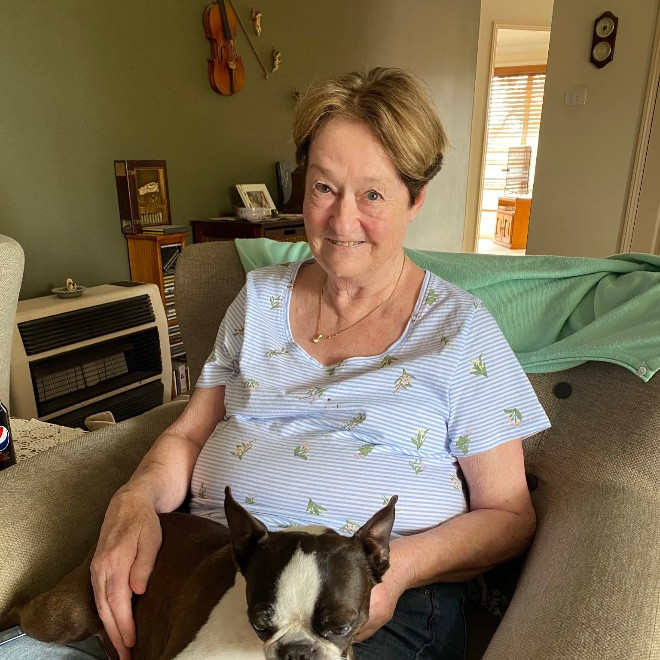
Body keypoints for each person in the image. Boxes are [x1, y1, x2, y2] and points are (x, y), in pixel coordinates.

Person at [4, 68, 550, 659]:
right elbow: (188, 434)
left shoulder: (461, 330)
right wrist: (135, 498)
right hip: (221, 571)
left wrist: (396, 570)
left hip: (365, 605)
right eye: (324, 188)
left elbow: (510, 516)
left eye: (372, 194)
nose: (341, 221)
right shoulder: (260, 298)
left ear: (414, 199)